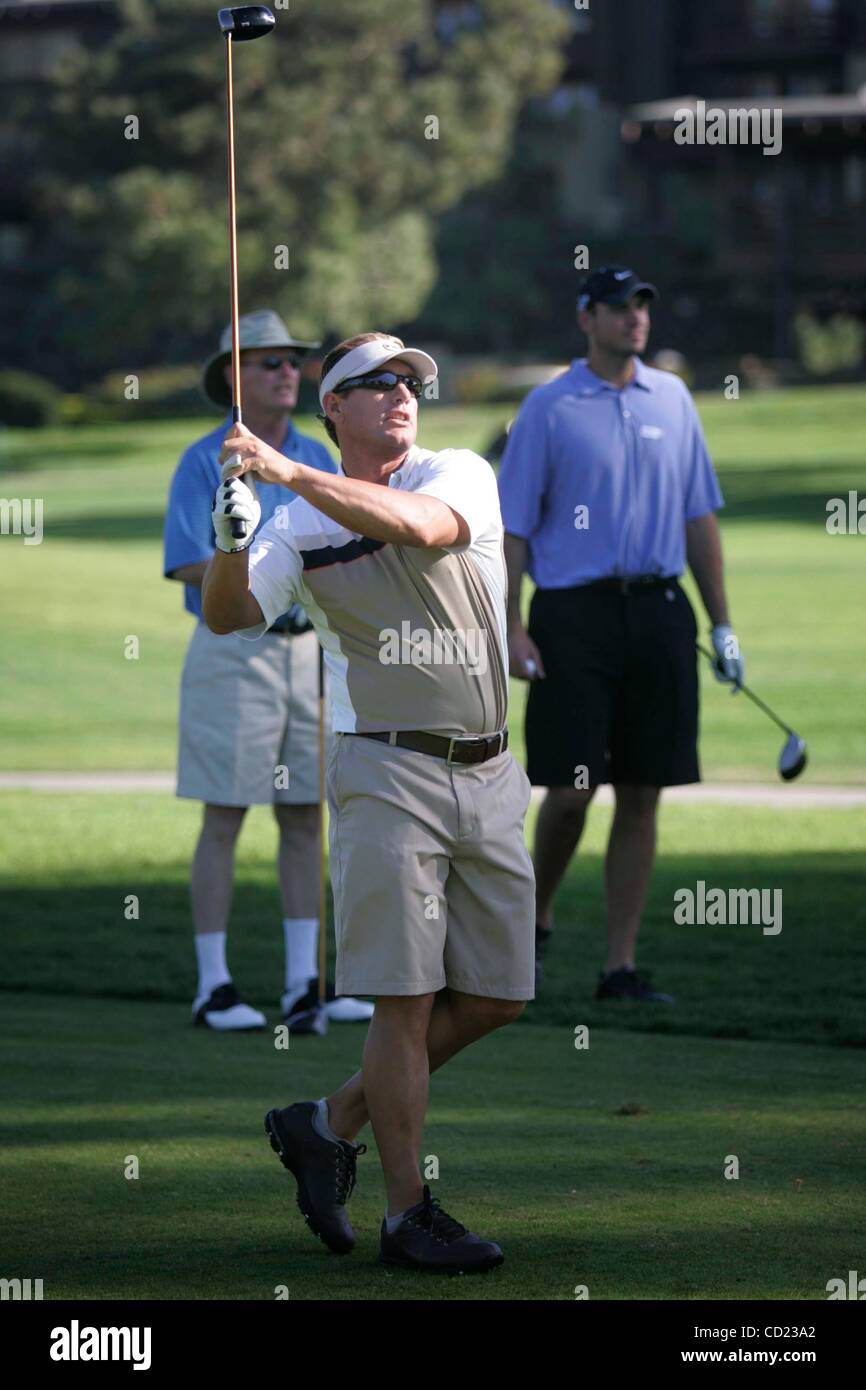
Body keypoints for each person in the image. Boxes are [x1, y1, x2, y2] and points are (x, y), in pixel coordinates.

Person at [199, 331, 535, 1273]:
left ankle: (326, 1121)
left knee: (500, 995)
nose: (400, 393)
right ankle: (406, 1215)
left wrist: (284, 473)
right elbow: (230, 613)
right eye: (374, 383)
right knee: (405, 1000)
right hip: (384, 772)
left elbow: (420, 528)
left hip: (492, 771)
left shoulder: (457, 471)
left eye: (410, 381)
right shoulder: (296, 526)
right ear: (332, 410)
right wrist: (228, 542)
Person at [498, 266, 744, 1003]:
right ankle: (532, 927)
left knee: (643, 792)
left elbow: (699, 516)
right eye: (618, 307)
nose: (635, 317)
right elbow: (511, 529)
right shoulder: (548, 407)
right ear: (586, 318)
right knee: (571, 792)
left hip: (661, 612)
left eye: (642, 304)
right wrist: (510, 624)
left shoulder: (672, 398)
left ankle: (620, 968)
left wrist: (723, 622)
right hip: (573, 616)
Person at [163, 309, 373, 1032]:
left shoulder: (316, 453)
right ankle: (214, 987)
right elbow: (184, 561)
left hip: (309, 653)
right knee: (225, 813)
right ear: (233, 377)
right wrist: (245, 556)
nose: (287, 371)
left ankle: (302, 984)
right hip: (233, 648)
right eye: (267, 361)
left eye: (291, 361)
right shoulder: (206, 458)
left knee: (305, 816)